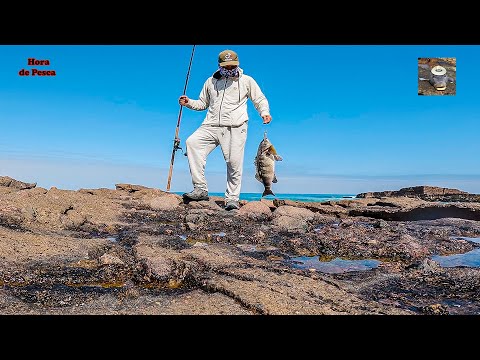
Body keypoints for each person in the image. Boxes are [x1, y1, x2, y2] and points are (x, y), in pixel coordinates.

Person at [179, 49, 272, 210]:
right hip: (211, 124)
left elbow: (259, 99)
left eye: (232, 66)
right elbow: (202, 104)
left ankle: (232, 199)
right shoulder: (210, 81)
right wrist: (188, 102)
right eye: (226, 66)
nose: (229, 69)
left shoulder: (247, 80)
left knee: (234, 163)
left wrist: (264, 113)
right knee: (192, 143)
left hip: (236, 126)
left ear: (237, 64)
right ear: (219, 66)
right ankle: (200, 189)